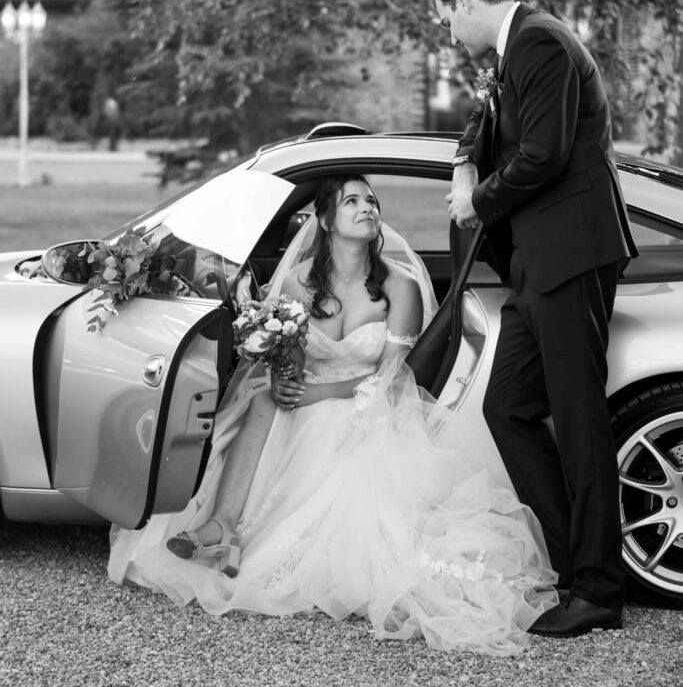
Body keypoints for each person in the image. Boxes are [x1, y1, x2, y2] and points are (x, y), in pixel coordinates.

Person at [108, 175, 557, 655]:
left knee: (326, 423)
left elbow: (391, 376)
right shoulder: (300, 281)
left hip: (370, 407)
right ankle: (222, 526)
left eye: (372, 201)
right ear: (325, 219)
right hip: (310, 399)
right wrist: (286, 379)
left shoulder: (398, 285)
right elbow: (293, 363)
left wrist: (316, 394)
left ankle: (236, 534)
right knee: (263, 400)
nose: (368, 208)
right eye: (353, 201)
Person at [433, 0, 638, 639]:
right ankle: (571, 561)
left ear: (463, 2)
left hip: (570, 253)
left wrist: (476, 204)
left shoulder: (541, 41)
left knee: (579, 421)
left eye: (444, 19)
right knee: (509, 407)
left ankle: (599, 592)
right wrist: (466, 162)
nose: (447, 34)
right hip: (536, 263)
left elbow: (544, 153)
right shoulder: (516, 48)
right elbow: (493, 127)